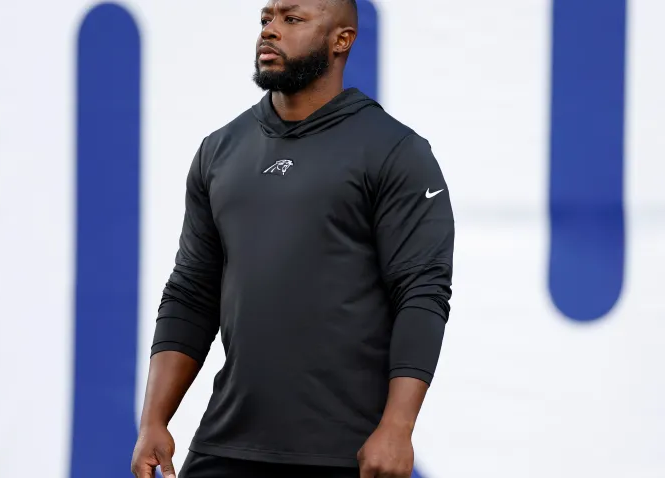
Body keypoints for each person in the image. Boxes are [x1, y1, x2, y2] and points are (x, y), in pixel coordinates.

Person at [130, 0, 455, 476]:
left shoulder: (396, 151)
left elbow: (422, 293)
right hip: (225, 449)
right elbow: (191, 293)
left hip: (344, 455)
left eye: (292, 19)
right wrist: (154, 419)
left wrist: (397, 428)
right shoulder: (219, 151)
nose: (270, 31)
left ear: (342, 40)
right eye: (266, 19)